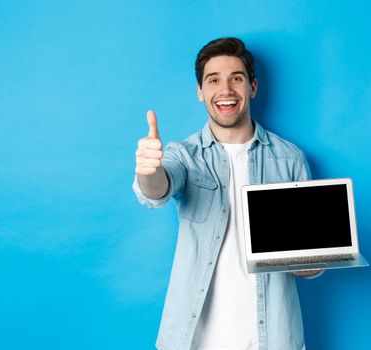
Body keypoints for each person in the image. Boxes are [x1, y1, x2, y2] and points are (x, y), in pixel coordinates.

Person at [133, 37, 324, 350]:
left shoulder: (291, 159)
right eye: (213, 80)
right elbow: (158, 188)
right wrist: (148, 171)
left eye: (236, 78)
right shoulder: (184, 154)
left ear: (252, 87)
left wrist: (309, 262)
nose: (225, 90)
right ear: (200, 91)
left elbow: (310, 262)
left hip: (273, 339)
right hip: (194, 341)